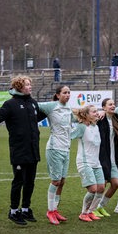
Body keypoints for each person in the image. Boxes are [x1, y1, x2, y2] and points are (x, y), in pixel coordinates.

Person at [0, 76, 45, 226]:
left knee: (30, 181)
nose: (30, 87)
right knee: (19, 181)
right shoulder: (10, 104)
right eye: (27, 84)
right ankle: (13, 211)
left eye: (30, 84)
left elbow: (36, 118)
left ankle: (25, 208)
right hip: (18, 149)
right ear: (19, 87)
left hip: (33, 149)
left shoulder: (32, 103)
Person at [38, 85, 72, 225]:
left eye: (69, 92)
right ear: (58, 95)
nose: (67, 95)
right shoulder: (51, 106)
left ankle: (55, 209)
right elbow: (36, 105)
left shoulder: (68, 109)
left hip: (66, 149)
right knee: (56, 181)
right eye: (65, 93)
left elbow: (76, 117)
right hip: (54, 148)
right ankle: (50, 211)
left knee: (62, 181)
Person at [71, 105, 105, 222]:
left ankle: (91, 211)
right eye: (94, 112)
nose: (97, 113)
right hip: (84, 162)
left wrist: (103, 113)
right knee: (93, 189)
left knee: (101, 188)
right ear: (86, 115)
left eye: (97, 111)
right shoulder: (81, 127)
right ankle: (83, 213)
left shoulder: (96, 126)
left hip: (96, 163)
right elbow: (69, 136)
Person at [95, 98, 118, 217]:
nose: (113, 106)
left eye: (114, 104)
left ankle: (100, 207)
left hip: (113, 158)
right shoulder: (100, 119)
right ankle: (91, 209)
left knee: (115, 184)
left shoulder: (115, 118)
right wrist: (100, 112)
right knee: (101, 186)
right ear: (104, 107)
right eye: (110, 104)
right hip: (102, 157)